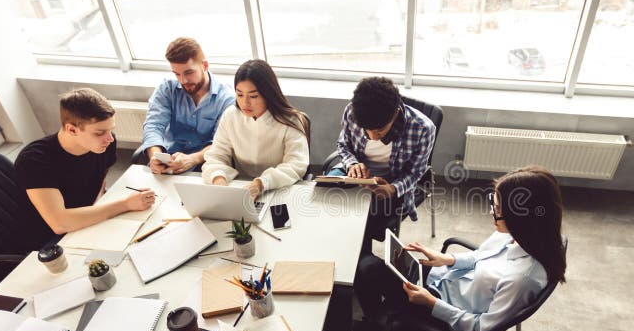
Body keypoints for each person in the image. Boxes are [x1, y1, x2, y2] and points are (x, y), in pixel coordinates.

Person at [354, 166, 566, 331]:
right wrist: (447, 259)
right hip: (444, 280)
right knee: (388, 264)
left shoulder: (522, 279)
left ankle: (377, 327)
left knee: (365, 267)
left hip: (443, 309)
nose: (492, 211)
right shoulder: (523, 235)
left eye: (498, 209)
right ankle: (379, 317)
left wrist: (431, 303)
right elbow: (479, 257)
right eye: (494, 203)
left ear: (522, 217)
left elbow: (480, 329)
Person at [15, 88, 156, 250]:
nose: (109, 138)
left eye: (111, 130)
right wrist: (124, 205)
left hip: (86, 222)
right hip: (50, 242)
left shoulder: (105, 144)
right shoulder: (34, 160)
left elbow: (99, 184)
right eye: (100, 132)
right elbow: (60, 223)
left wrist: (104, 208)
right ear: (72, 129)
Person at [330, 77, 435, 249]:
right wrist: (352, 163)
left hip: (390, 183)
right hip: (354, 175)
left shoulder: (423, 129)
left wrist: (393, 189)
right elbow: (343, 144)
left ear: (395, 114)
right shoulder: (352, 111)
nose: (372, 137)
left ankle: (360, 261)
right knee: (325, 201)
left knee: (363, 221)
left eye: (379, 131)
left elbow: (416, 173)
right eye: (366, 130)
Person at [202, 59, 309, 199]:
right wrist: (219, 179)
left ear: (268, 94)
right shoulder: (230, 116)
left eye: (253, 96)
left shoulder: (290, 120)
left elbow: (296, 165)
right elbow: (216, 156)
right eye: (239, 94)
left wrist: (260, 184)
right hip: (241, 189)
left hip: (279, 190)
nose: (245, 102)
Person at [140, 37, 235, 175]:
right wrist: (155, 155)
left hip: (204, 166)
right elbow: (153, 126)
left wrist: (193, 159)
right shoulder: (167, 88)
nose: (183, 80)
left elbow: (221, 143)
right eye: (177, 74)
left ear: (205, 66)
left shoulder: (227, 99)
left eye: (189, 72)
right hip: (167, 160)